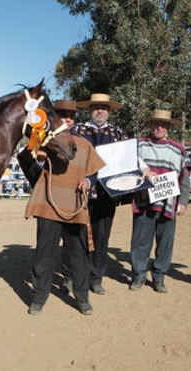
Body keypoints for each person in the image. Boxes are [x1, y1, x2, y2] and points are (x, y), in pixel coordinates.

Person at [19, 101, 106, 315]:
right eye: (62, 115)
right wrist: (35, 159)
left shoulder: (85, 145)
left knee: (78, 255)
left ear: (75, 120)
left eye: (70, 116)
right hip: (48, 205)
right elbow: (30, 171)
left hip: (74, 207)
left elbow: (94, 172)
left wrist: (88, 182)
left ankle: (82, 298)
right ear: (54, 118)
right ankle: (39, 297)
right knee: (44, 254)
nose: (67, 119)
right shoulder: (41, 142)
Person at [64, 93, 129, 295]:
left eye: (103, 107)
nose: (99, 111)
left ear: (109, 111)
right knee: (75, 235)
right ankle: (70, 276)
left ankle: (96, 277)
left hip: (107, 193)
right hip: (79, 191)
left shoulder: (118, 133)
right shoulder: (77, 130)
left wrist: (143, 170)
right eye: (95, 107)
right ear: (90, 110)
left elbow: (128, 159)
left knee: (101, 236)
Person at [129, 110, 190, 292]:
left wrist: (184, 201)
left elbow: (184, 177)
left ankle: (159, 276)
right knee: (140, 240)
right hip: (144, 200)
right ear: (151, 125)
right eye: (156, 123)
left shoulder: (178, 149)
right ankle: (139, 274)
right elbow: (128, 168)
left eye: (163, 124)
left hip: (169, 202)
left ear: (168, 127)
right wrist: (142, 173)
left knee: (165, 241)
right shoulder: (138, 145)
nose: (159, 127)